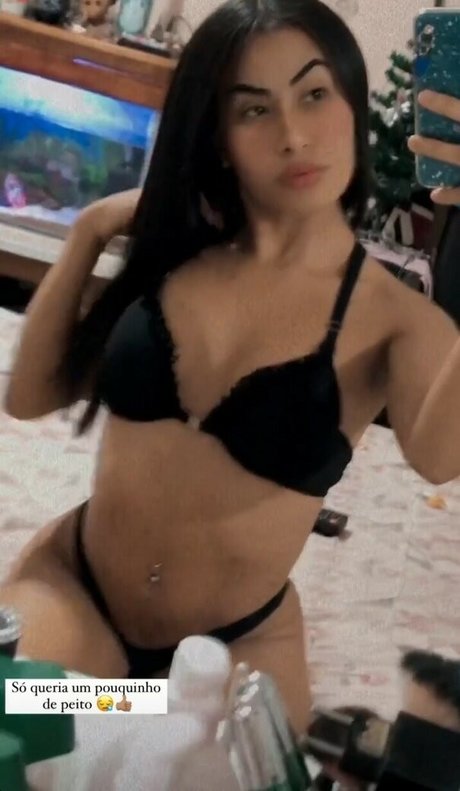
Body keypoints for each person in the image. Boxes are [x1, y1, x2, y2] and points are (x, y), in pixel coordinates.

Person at [1, 0, 460, 739]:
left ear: (352, 104)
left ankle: (151, 720)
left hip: (238, 640)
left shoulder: (395, 317)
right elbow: (27, 397)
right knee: (32, 725)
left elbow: (441, 459)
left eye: (314, 94)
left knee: (230, 768)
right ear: (218, 136)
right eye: (253, 109)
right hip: (80, 591)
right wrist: (89, 229)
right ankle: (144, 715)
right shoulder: (178, 248)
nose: (292, 135)